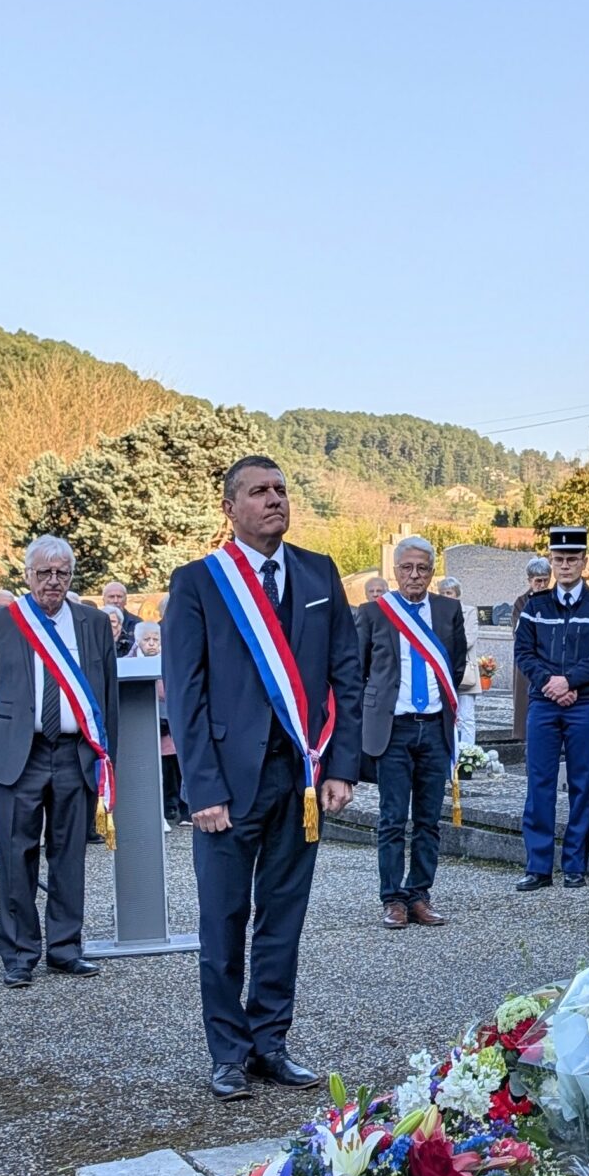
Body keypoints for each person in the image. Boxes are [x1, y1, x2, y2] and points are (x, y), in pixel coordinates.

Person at [164, 454, 362, 1101]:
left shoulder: (318, 572)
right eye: (258, 491)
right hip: (228, 783)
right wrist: (202, 788)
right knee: (223, 921)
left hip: (301, 778)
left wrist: (341, 766)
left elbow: (346, 674)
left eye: (280, 489)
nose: (274, 499)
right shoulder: (198, 582)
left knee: (283, 918)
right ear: (230, 508)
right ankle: (227, 1053)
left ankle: (270, 1042)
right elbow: (186, 694)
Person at [0, 536, 120, 987]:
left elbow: (108, 695)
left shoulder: (94, 622)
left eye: (61, 573)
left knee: (69, 854)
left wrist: (106, 758)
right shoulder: (3, 620)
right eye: (44, 572)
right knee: (15, 855)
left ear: (71, 576)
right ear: (27, 575)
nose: (53, 581)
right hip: (20, 755)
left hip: (76, 754)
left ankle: (65, 948)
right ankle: (19, 955)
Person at [358, 535, 471, 929]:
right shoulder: (374, 613)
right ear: (395, 571)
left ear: (432, 571)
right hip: (394, 729)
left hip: (434, 729)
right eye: (406, 568)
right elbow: (359, 669)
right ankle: (393, 899)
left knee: (427, 820)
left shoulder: (448, 610)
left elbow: (455, 664)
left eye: (422, 568)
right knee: (392, 818)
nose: (414, 575)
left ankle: (419, 894)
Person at [516, 526, 589, 890]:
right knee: (539, 782)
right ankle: (538, 866)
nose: (565, 566)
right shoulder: (535, 606)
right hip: (544, 703)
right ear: (551, 561)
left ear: (584, 562)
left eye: (572, 559)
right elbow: (523, 652)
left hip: (585, 703)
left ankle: (575, 865)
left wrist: (571, 682)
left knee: (582, 783)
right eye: (559, 559)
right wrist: (551, 683)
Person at [136, 622, 186, 824]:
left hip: (169, 727)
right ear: (138, 641)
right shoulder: (130, 662)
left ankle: (173, 806)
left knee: (172, 768)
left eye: (155, 640)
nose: (151, 644)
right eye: (146, 640)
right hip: (143, 725)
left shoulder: (170, 662)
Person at [509, 556, 548, 741]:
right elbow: (520, 633)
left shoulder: (554, 598)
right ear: (530, 580)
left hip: (550, 660)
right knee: (526, 705)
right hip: (528, 660)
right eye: (538, 581)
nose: (542, 585)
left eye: (545, 580)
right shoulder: (521, 602)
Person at [101, 579, 143, 656]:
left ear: (126, 600)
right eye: (111, 597)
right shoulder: (94, 622)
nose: (115, 600)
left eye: (119, 596)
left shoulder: (137, 624)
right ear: (103, 600)